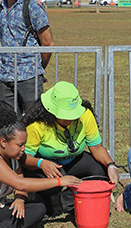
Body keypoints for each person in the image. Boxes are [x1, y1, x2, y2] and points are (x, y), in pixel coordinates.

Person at [21, 82, 119, 214]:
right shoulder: (37, 125)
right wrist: (41, 163)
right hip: (43, 164)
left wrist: (111, 165)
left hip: (73, 160)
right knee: (58, 178)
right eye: (64, 115)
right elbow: (24, 157)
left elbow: (96, 148)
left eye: (73, 115)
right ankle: (42, 199)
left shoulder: (86, 116)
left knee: (100, 171)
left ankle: (63, 202)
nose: (69, 119)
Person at [0, 0, 54, 121]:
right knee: (8, 129)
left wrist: (36, 70)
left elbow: (48, 44)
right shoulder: (0, 8)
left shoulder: (33, 8)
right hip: (5, 78)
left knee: (35, 127)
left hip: (29, 78)